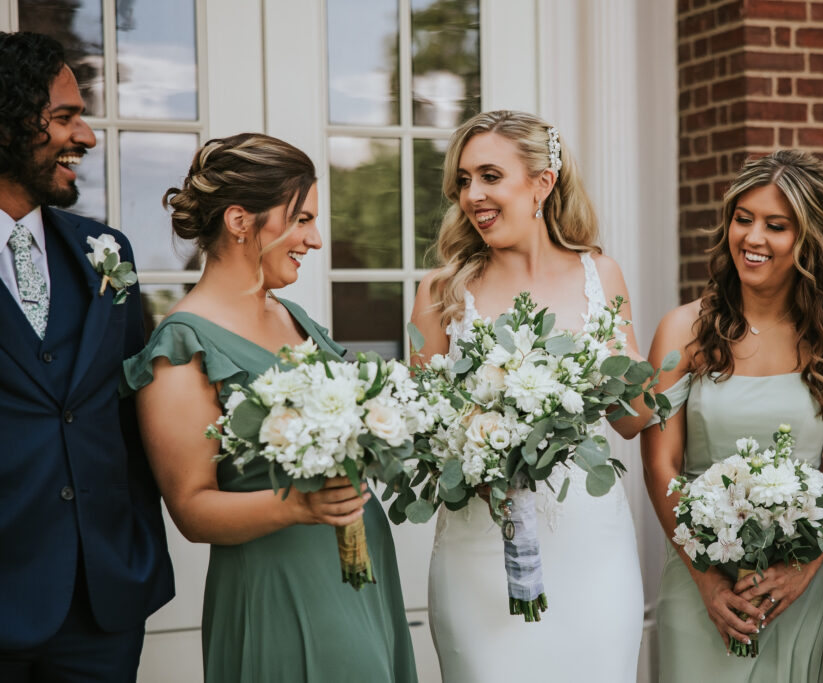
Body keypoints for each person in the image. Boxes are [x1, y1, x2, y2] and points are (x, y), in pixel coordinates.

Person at [121, 133, 416, 682]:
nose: (317, 239)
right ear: (240, 222)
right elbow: (191, 508)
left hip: (362, 571)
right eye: (301, 220)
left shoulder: (295, 316)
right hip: (279, 583)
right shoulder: (182, 347)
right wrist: (300, 508)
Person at [409, 110, 645, 682]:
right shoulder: (443, 290)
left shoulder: (600, 275)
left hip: (591, 547)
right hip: (480, 545)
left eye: (490, 176)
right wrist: (481, 442)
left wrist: (605, 375)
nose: (472, 195)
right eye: (464, 181)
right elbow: (421, 429)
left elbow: (633, 421)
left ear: (543, 182)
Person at [640, 150, 823, 682]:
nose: (752, 238)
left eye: (776, 226)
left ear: (808, 239)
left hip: (805, 582)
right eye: (743, 218)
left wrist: (802, 567)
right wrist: (706, 578)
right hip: (698, 575)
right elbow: (662, 464)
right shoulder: (685, 330)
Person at [0, 32, 174, 681]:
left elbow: (129, 396)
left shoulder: (110, 251)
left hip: (102, 605)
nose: (88, 138)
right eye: (66, 117)